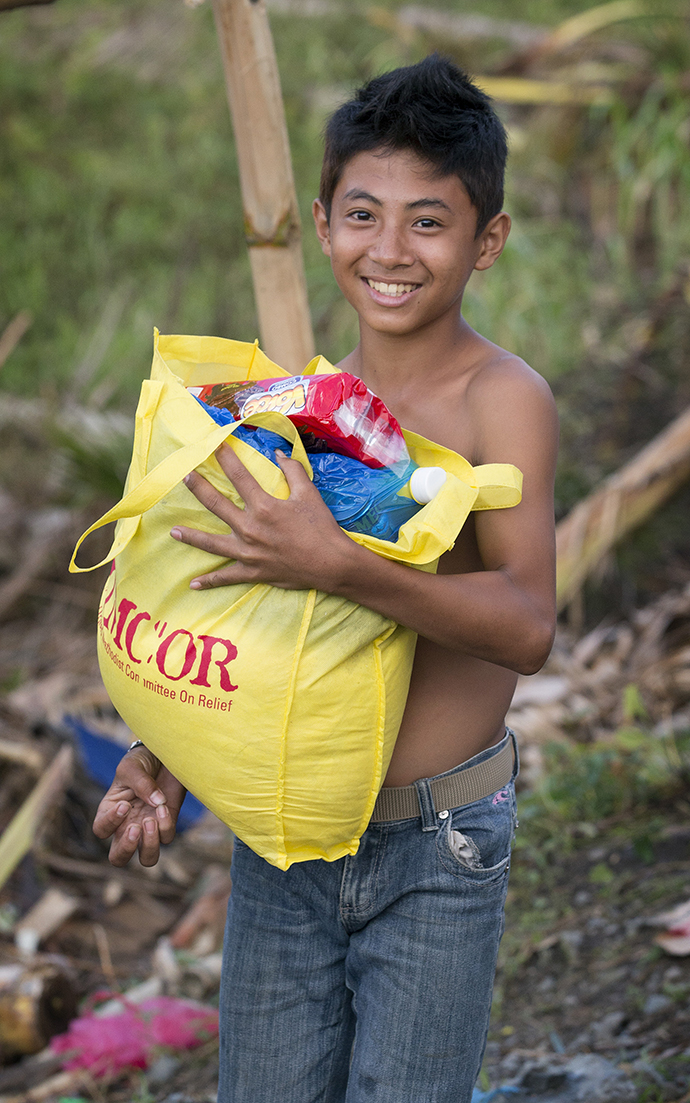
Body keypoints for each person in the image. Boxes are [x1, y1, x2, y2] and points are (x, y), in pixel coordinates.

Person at [93, 55, 558, 1103]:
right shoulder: (298, 400)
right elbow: (265, 622)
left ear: (488, 240)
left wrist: (341, 562)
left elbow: (528, 626)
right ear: (320, 221)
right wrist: (164, 752)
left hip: (438, 846)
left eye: (429, 222)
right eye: (363, 213)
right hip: (288, 833)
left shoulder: (502, 399)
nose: (389, 250)